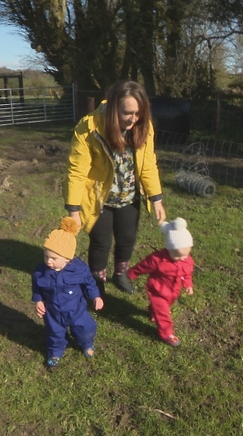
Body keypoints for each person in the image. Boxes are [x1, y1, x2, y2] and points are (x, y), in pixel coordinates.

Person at [66, 80, 166, 296]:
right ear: (113, 108)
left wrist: (155, 198)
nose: (133, 119)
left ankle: (120, 273)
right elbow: (77, 171)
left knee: (127, 238)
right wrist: (73, 210)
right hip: (99, 198)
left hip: (129, 197)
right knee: (101, 242)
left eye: (138, 113)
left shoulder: (144, 127)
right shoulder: (88, 128)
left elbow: (148, 164)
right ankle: (96, 282)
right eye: (127, 112)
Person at [32, 217, 104, 371]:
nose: (49, 261)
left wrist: (96, 296)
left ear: (67, 258)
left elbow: (89, 283)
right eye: (46, 256)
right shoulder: (41, 271)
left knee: (85, 328)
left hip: (76, 309)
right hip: (53, 311)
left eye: (54, 258)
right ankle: (55, 352)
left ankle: (86, 343)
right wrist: (38, 300)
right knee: (54, 333)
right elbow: (37, 287)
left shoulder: (79, 269)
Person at [127, 218, 195, 347]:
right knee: (164, 313)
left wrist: (188, 285)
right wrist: (130, 274)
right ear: (168, 248)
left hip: (173, 291)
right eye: (177, 255)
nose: (181, 259)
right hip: (158, 290)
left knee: (164, 307)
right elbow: (143, 266)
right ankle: (167, 334)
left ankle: (153, 312)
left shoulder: (186, 260)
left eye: (185, 255)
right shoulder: (158, 259)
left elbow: (187, 273)